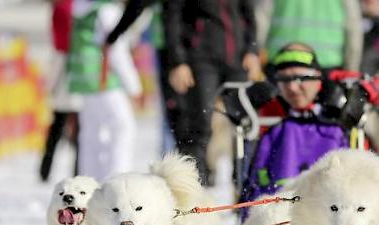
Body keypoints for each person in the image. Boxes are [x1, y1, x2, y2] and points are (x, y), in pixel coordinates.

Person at [162, 0, 261, 186]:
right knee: (200, 126)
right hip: (200, 59)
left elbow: (249, 14)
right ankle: (195, 190)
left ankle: (245, 187)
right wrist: (177, 62)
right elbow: (171, 19)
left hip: (238, 59)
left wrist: (253, 50)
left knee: (245, 126)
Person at [240, 43, 350, 204]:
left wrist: (365, 92)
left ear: (318, 77)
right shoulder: (270, 111)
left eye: (301, 78)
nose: (292, 88)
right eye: (284, 80)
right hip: (279, 212)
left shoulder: (339, 96)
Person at [68, 0, 143, 182]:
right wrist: (134, 86)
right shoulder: (107, 10)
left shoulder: (81, 8)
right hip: (104, 78)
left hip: (84, 79)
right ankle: (117, 180)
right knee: (123, 127)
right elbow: (116, 49)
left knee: (91, 133)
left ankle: (89, 181)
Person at [105, 0, 179, 154]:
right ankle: (172, 154)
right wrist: (115, 34)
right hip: (171, 47)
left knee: (179, 111)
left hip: (185, 48)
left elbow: (138, 6)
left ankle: (179, 155)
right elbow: (138, 6)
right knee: (174, 109)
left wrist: (114, 35)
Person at [39, 0, 82, 182]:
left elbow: (58, 48)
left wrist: (49, 86)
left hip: (65, 82)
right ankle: (78, 171)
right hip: (81, 78)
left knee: (57, 128)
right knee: (80, 133)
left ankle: (45, 170)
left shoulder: (61, 7)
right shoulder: (80, 7)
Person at [264, 0, 363, 71]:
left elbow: (261, 19)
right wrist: (351, 69)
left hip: (283, 61)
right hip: (327, 63)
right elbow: (353, 31)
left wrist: (255, 54)